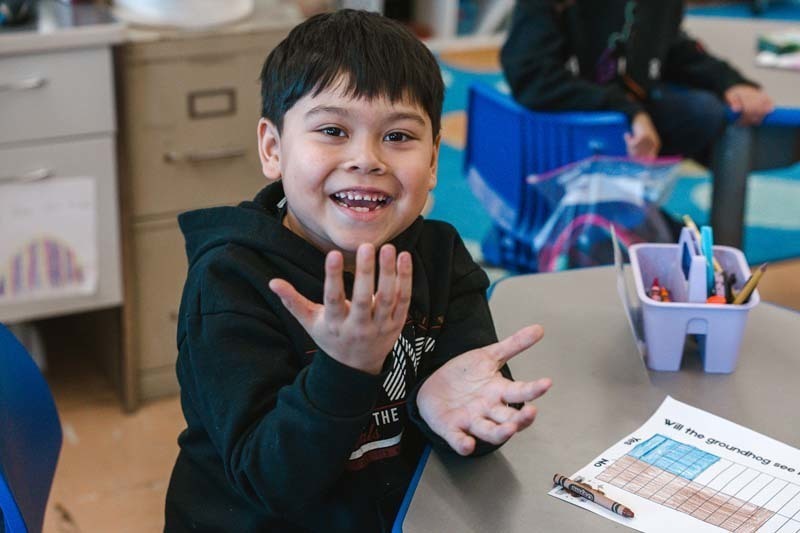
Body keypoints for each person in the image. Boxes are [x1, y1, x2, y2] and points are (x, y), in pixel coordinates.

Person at [164, 9, 552, 532]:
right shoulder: (231, 280)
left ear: (434, 160)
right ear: (273, 149)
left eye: (398, 137)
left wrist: (455, 417)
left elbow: (469, 411)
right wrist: (347, 368)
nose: (366, 158)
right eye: (332, 130)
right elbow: (270, 482)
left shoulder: (437, 255)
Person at [501, 0, 774, 162]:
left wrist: (730, 81)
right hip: (559, 129)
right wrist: (629, 110)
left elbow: (668, 47)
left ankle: (630, 204)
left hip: (621, 117)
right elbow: (533, 78)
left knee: (702, 112)